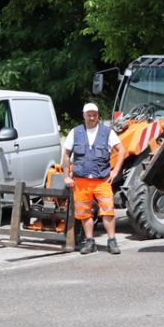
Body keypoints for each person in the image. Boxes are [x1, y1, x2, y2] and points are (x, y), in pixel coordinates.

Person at [62, 102, 126, 255]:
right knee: (84, 213)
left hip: (102, 180)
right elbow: (66, 155)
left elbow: (122, 150)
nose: (92, 117)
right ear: (83, 115)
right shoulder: (75, 132)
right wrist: (66, 176)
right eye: (89, 115)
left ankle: (112, 241)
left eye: (94, 115)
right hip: (81, 181)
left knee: (108, 211)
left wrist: (115, 171)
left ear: (97, 115)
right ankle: (90, 242)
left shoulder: (107, 132)